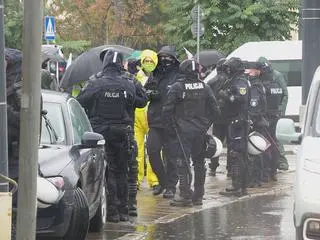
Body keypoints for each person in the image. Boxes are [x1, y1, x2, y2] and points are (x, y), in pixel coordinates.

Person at [77, 49, 148, 222]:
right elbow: (142, 101)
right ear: (121, 64)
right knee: (123, 171)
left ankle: (112, 211)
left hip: (100, 135)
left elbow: (80, 101)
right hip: (124, 133)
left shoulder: (95, 82)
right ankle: (125, 209)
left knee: (106, 172)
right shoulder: (130, 82)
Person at [162, 59, 220, 206]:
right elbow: (215, 111)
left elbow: (166, 111)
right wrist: (205, 125)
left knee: (182, 162)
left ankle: (184, 194)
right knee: (199, 162)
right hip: (200, 132)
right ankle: (199, 195)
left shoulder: (177, 87)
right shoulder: (205, 87)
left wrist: (171, 130)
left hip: (182, 132)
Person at [144, 45, 180, 198]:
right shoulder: (154, 74)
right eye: (162, 57)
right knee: (152, 151)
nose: (165, 61)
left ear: (173, 59)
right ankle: (163, 181)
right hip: (156, 121)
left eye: (168, 58)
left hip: (173, 121)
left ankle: (171, 185)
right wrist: (150, 93)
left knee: (172, 156)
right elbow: (144, 92)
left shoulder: (178, 74)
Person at [218, 57, 251, 197]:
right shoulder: (234, 80)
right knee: (236, 153)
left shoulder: (241, 81)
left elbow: (241, 98)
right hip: (233, 120)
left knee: (237, 153)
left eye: (229, 68)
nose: (227, 70)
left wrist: (226, 96)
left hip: (238, 121)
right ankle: (239, 186)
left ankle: (238, 186)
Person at [134, 50, 160, 193]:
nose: (149, 63)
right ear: (142, 62)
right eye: (146, 61)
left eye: (151, 61)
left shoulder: (158, 79)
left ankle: (154, 180)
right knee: (137, 150)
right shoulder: (135, 78)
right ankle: (136, 179)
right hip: (137, 118)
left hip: (154, 119)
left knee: (154, 151)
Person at [258, 57, 288, 182]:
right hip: (266, 114)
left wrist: (280, 110)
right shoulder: (261, 75)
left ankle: (281, 162)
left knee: (275, 140)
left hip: (274, 113)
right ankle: (270, 169)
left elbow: (284, 94)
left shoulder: (277, 75)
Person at [244, 62, 268, 188]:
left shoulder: (254, 86)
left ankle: (255, 179)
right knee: (257, 151)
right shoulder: (257, 84)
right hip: (258, 120)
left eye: (249, 71)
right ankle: (257, 178)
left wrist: (250, 120)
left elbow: (254, 106)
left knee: (254, 150)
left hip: (255, 122)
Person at [207, 58, 229, 176]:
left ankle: (213, 166)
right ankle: (230, 168)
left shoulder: (211, 81)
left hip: (217, 118)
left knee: (216, 142)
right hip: (230, 117)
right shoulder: (231, 81)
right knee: (231, 144)